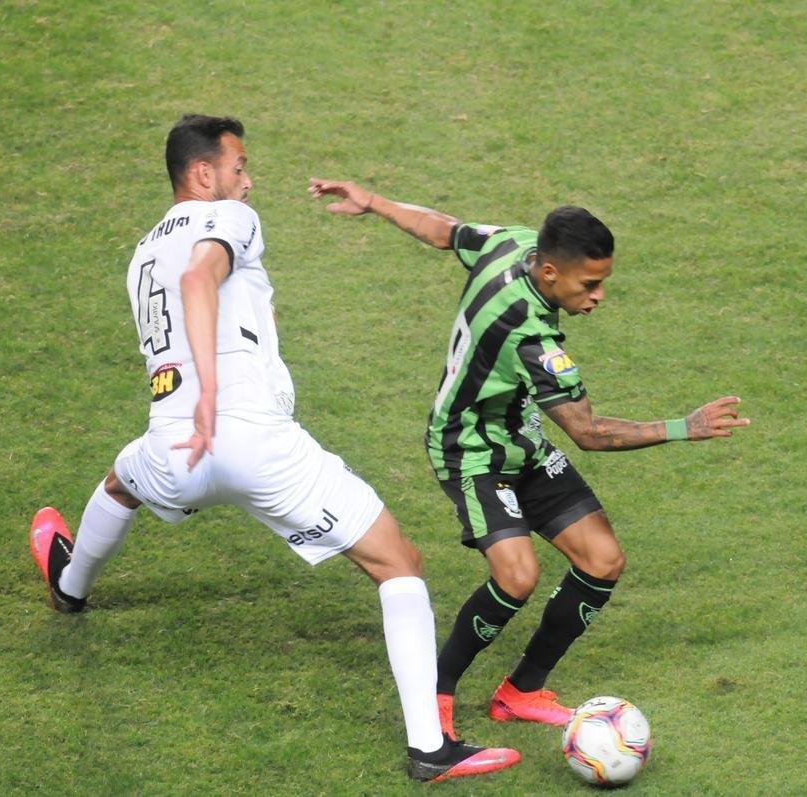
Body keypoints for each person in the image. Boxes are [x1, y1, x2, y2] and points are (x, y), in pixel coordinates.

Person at [27, 115, 520, 783]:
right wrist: (211, 396)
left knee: (120, 479)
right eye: (238, 167)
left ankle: (70, 586)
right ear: (204, 175)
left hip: (172, 450)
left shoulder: (141, 252)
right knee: (399, 563)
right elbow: (201, 281)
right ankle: (430, 748)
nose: (247, 179)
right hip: (252, 442)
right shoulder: (230, 218)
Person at [309, 178, 751, 740]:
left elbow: (443, 230)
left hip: (520, 440)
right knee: (517, 575)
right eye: (590, 285)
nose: (598, 297)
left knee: (602, 559)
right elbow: (588, 433)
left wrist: (375, 203)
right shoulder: (531, 338)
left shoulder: (513, 243)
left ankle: (519, 692)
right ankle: (435, 698)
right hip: (469, 449)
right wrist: (682, 428)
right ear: (550, 274)